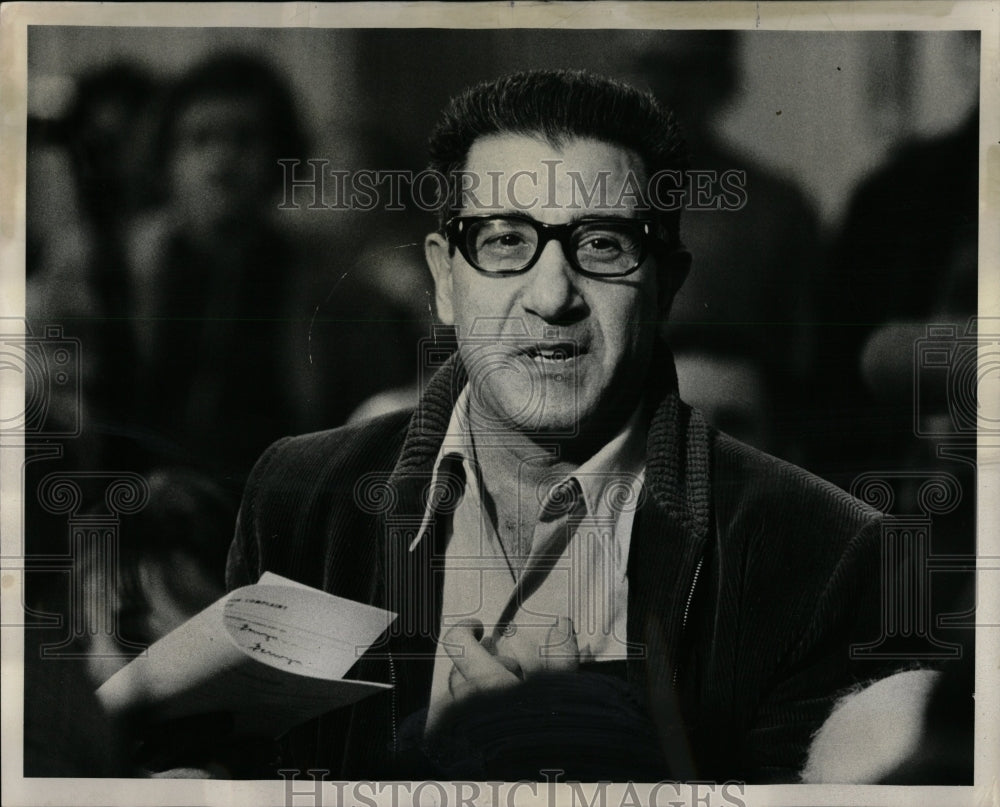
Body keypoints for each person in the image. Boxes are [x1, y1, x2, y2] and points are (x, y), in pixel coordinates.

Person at [226, 69, 899, 782]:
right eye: (505, 240)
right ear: (445, 280)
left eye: (604, 243)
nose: (551, 296)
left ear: (667, 284)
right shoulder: (300, 495)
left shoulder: (821, 551)